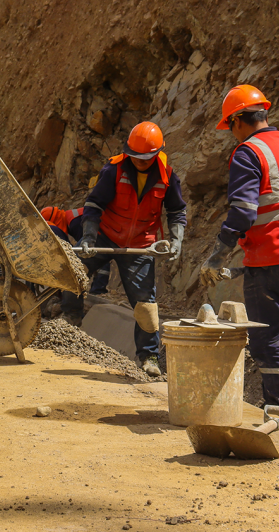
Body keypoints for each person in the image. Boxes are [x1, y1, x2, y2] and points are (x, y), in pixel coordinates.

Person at [197, 85, 279, 418]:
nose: (231, 134)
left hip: (272, 261)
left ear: (239, 120)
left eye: (230, 126)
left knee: (269, 342)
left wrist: (218, 254)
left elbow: (243, 212)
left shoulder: (248, 152)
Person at [70, 122, 187, 377]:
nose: (139, 162)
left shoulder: (167, 176)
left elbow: (177, 212)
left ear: (157, 154)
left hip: (140, 245)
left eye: (145, 158)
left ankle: (149, 357)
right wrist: (89, 237)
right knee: (72, 270)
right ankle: (67, 322)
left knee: (145, 305)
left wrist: (177, 240)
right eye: (135, 157)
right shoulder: (114, 170)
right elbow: (93, 205)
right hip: (105, 235)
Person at [41, 206, 110, 295]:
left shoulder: (74, 223)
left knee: (97, 257)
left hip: (107, 231)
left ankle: (98, 290)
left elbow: (88, 248)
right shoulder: (71, 218)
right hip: (108, 228)